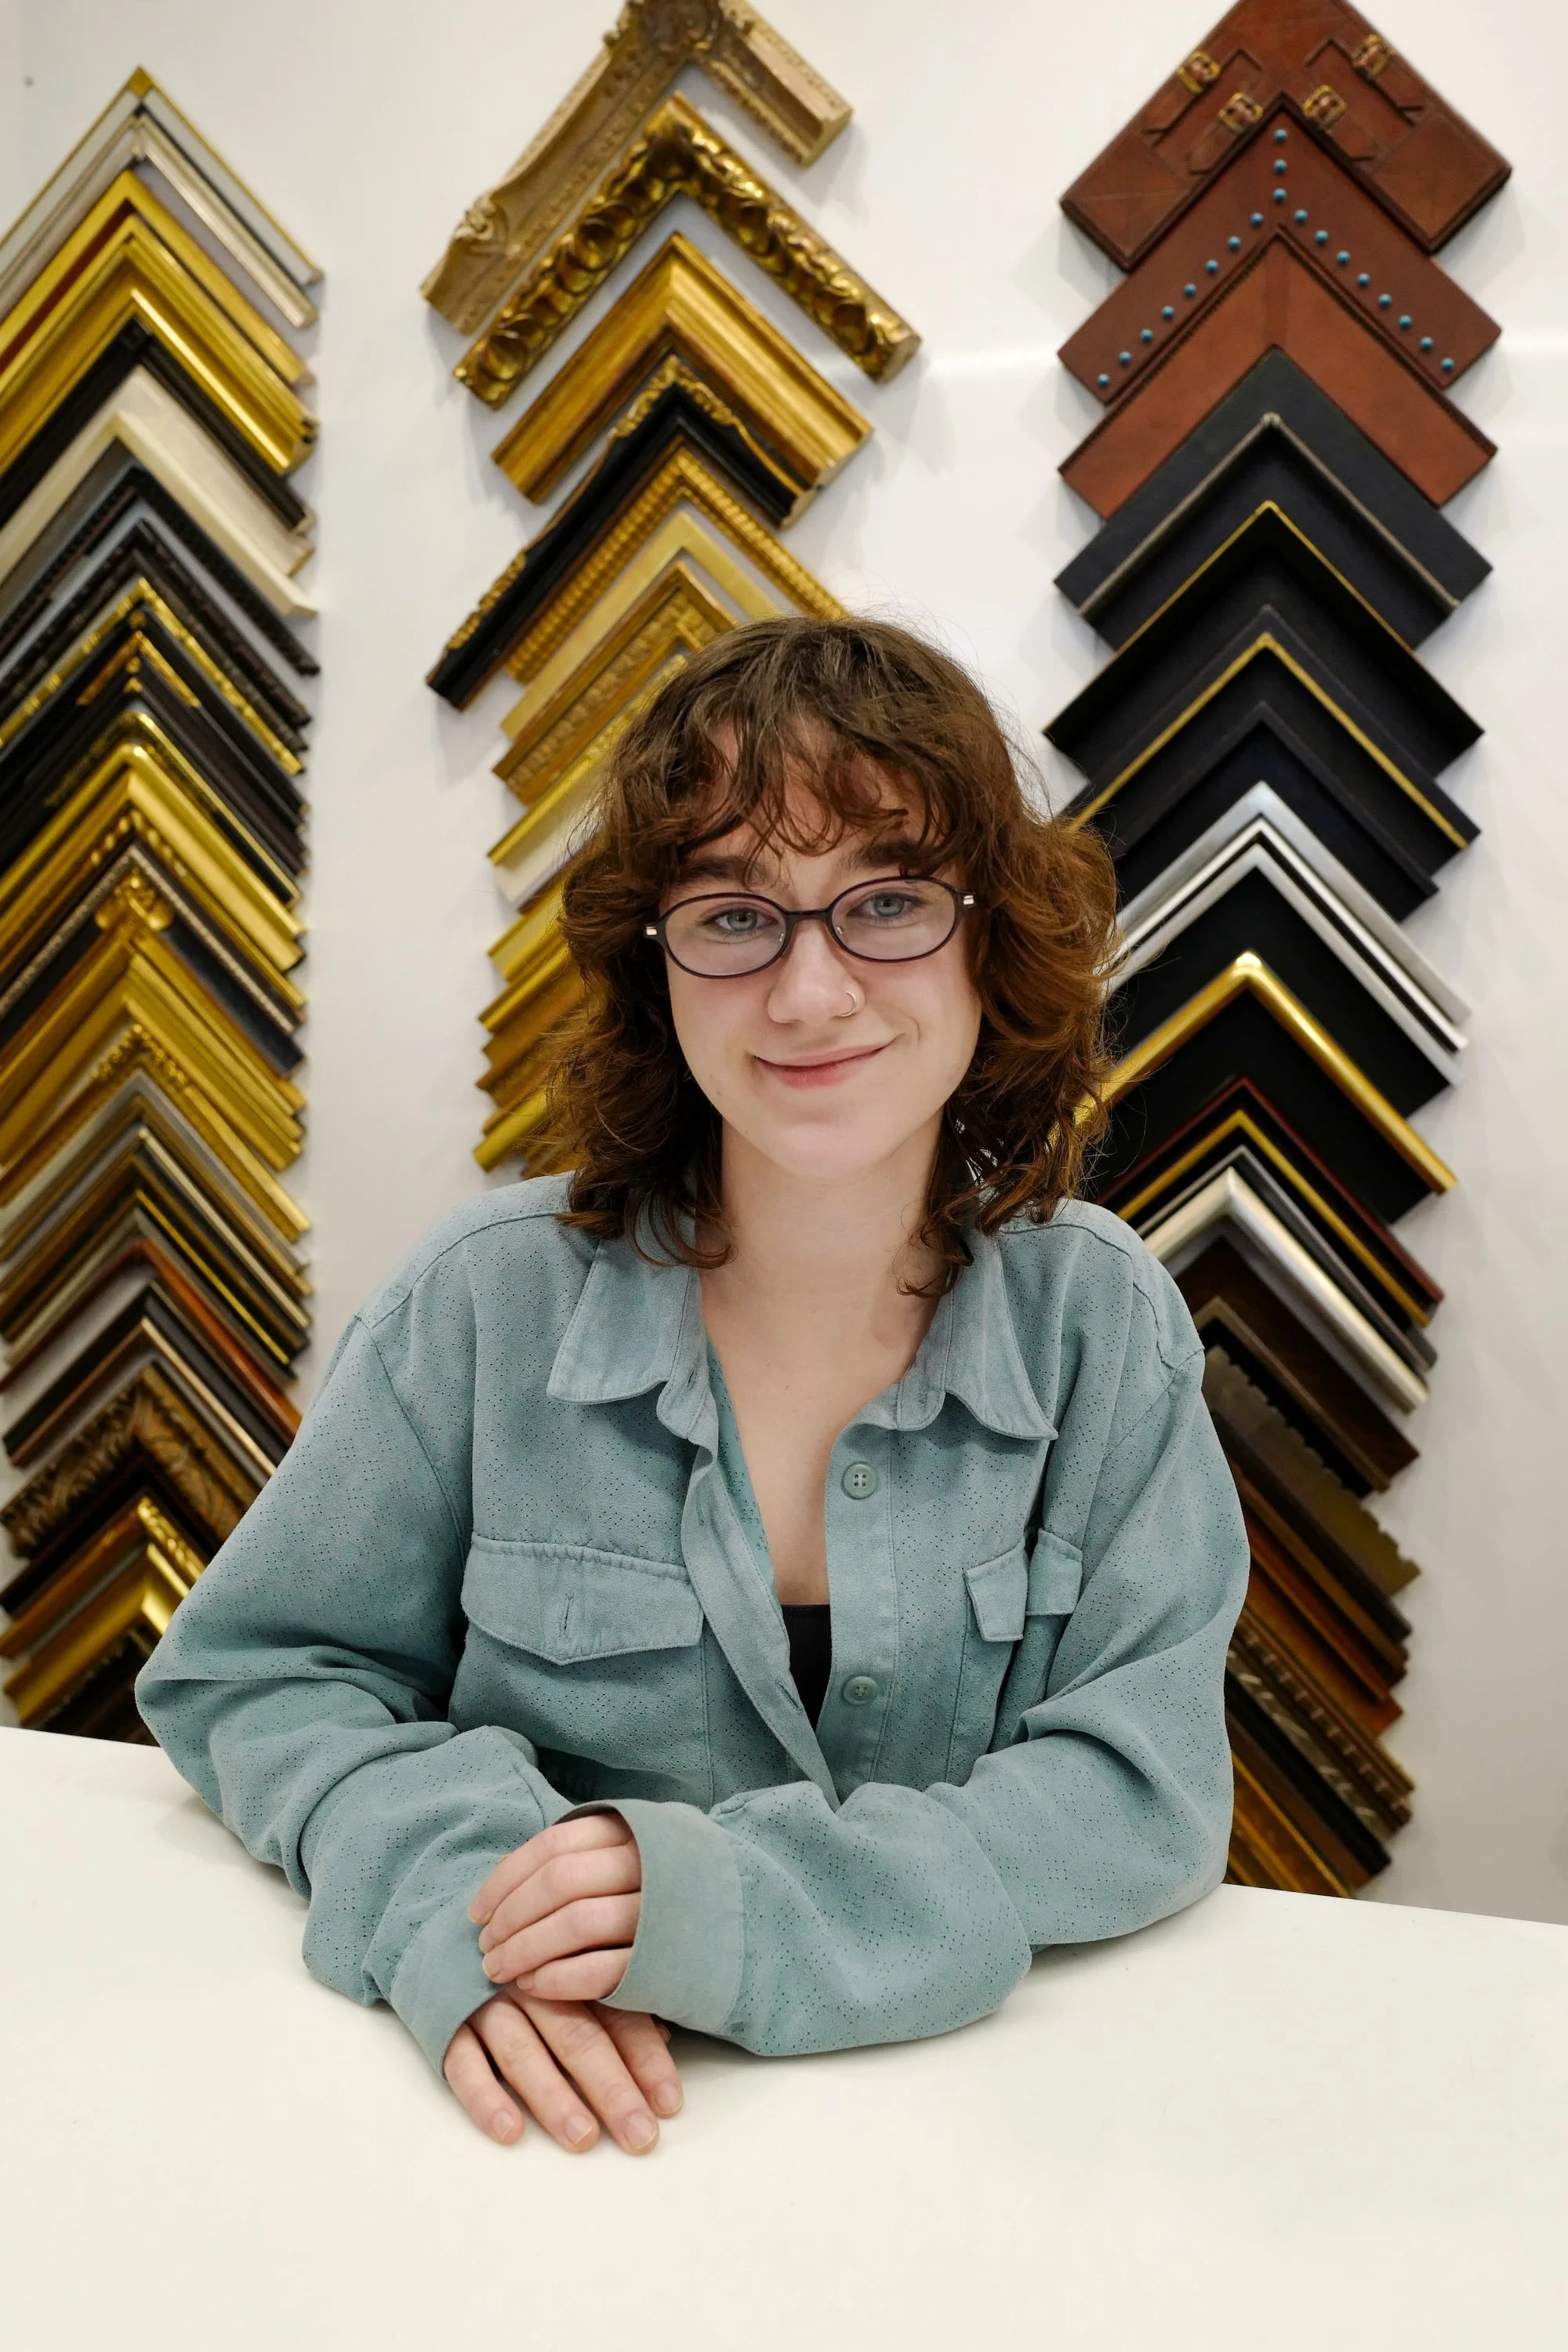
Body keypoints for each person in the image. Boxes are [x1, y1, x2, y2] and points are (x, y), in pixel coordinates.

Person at [136, 617, 1249, 2158]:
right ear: (654, 964)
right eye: (734, 915)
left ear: (990, 940)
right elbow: (263, 1676)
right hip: (545, 2150)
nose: (809, 993)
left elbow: (1144, 1785)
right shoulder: (484, 1302)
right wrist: (464, 1910)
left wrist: (748, 1913)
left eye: (887, 903)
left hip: (985, 2151)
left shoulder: (1101, 1324)